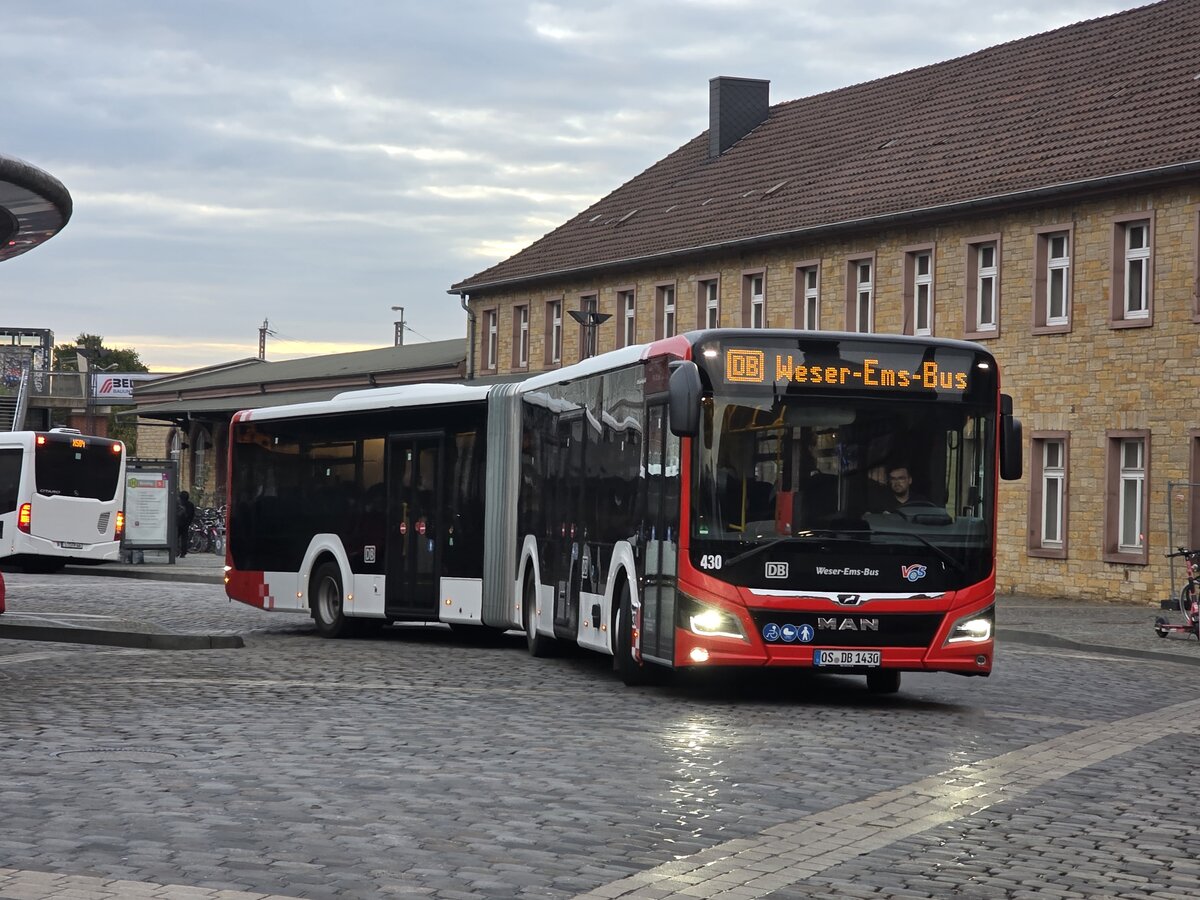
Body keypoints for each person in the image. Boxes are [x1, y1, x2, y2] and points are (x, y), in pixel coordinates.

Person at [177, 491, 196, 557]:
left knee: (176, 537)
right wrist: (189, 522)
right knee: (184, 538)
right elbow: (192, 515)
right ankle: (183, 552)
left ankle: (176, 551)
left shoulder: (178, 504)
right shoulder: (190, 504)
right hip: (186, 524)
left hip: (178, 524)